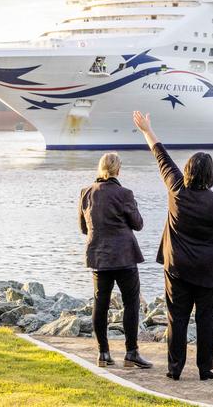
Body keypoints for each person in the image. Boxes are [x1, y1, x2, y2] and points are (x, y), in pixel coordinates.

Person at [133, 111, 213, 381]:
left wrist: (147, 130)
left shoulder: (176, 189)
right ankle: (205, 368)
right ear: (211, 175)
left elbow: (161, 157)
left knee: (176, 318)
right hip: (209, 270)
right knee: (206, 320)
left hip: (177, 267)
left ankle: (175, 368)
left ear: (188, 171)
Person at [78, 153, 152, 369]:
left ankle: (103, 353)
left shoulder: (86, 193)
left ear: (100, 169)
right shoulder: (124, 193)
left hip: (99, 257)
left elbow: (83, 228)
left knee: (100, 303)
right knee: (131, 303)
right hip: (124, 257)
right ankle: (131, 352)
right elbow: (138, 224)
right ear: (118, 170)